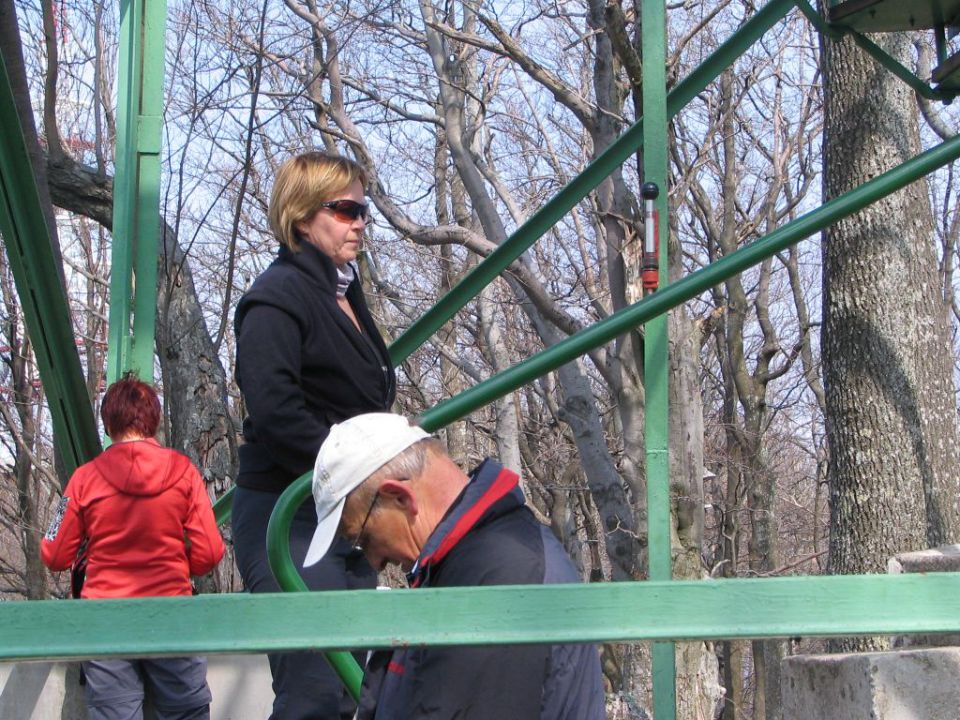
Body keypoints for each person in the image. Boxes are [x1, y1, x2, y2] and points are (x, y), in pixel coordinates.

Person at [304, 412, 607, 720]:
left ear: (399, 498)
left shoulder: (500, 573)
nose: (374, 562)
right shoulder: (462, 565)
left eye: (363, 539)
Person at [233, 152, 395, 719]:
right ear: (303, 217)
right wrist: (365, 468)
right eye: (347, 209)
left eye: (364, 210)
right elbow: (277, 415)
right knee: (315, 694)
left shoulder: (344, 292)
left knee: (358, 690)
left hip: (342, 517)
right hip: (290, 515)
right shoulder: (275, 298)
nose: (360, 222)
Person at [41, 374, 225, 720]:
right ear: (153, 419)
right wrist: (176, 563)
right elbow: (210, 553)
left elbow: (53, 553)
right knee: (186, 711)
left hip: (106, 620)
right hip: (172, 615)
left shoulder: (84, 478)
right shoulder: (183, 472)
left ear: (109, 422)